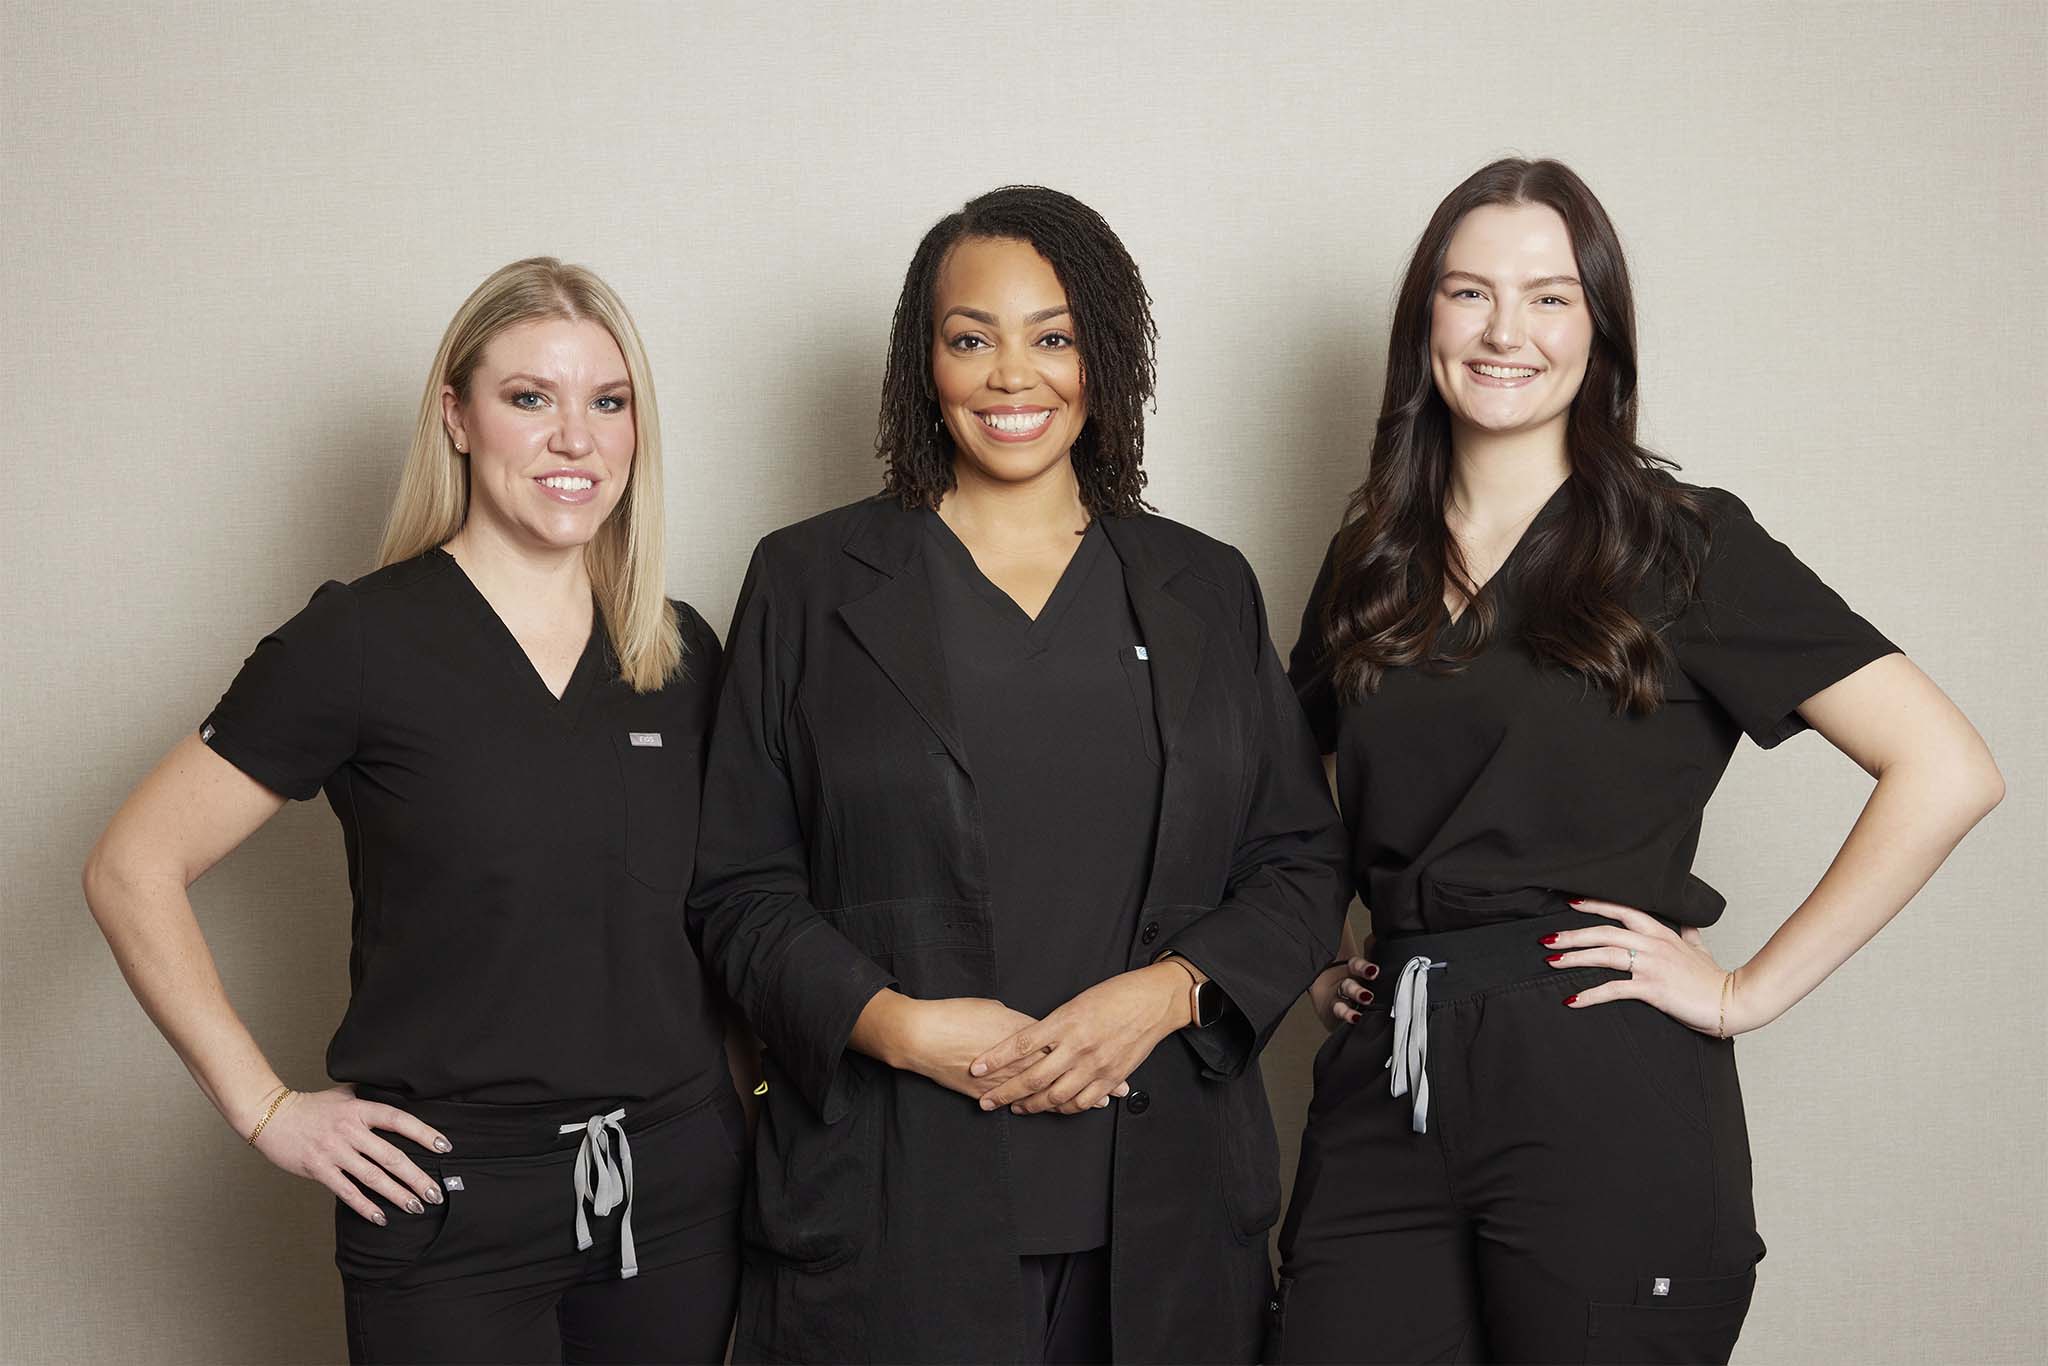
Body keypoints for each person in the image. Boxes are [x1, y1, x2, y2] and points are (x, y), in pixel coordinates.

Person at [1269, 159, 2005, 1365]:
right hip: (1385, 1082)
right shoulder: (1368, 559)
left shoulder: (1684, 542)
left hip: (1598, 1077)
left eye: (1549, 296)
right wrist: (1312, 951)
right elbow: (1278, 793)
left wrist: (1741, 992)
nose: (1506, 329)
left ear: (1598, 328)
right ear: (1424, 326)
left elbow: (1945, 765)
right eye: (1468, 293)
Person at [688, 185, 1350, 1364]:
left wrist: (1167, 992)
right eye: (969, 338)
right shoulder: (805, 580)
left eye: (1052, 336)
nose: (1011, 375)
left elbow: (1298, 859)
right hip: (889, 1197)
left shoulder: (1205, 585)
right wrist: (895, 1028)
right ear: (921, 360)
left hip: (1165, 1197)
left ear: (1104, 359)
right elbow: (737, 885)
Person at [82, 258, 746, 1365]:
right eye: (529, 398)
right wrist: (263, 1108)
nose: (574, 439)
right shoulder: (358, 644)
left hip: (676, 1195)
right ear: (456, 416)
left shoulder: (676, 653)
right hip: (447, 1201)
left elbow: (732, 911)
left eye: (607, 401)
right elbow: (130, 867)